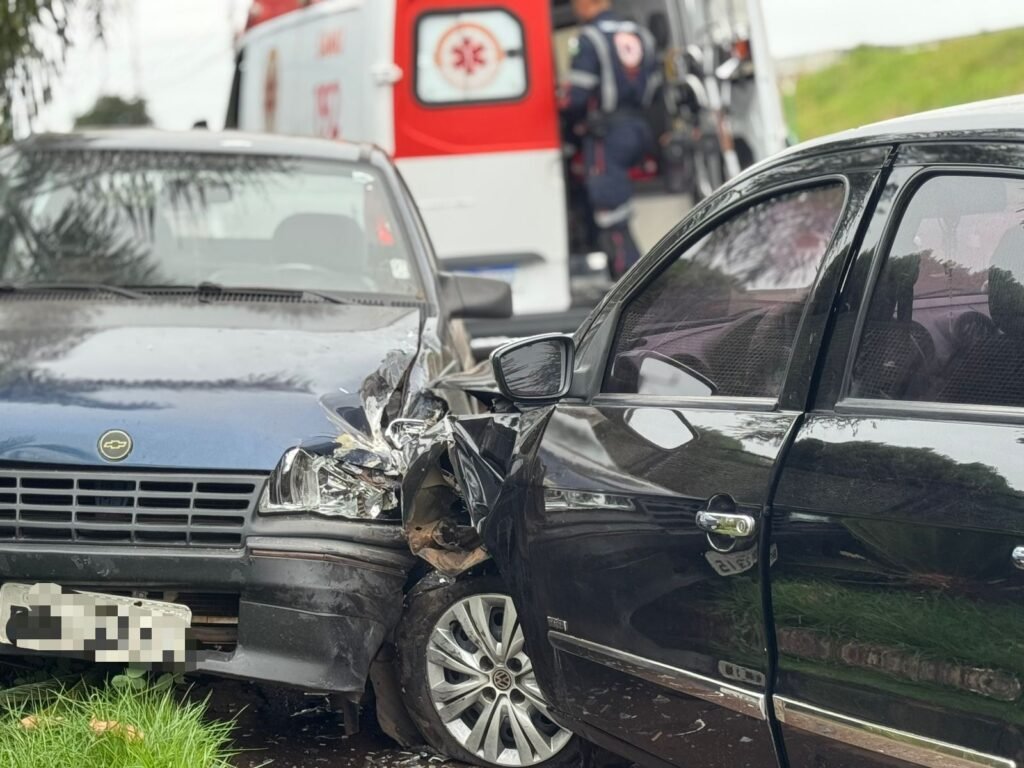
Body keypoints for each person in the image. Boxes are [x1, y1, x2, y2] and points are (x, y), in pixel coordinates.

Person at [561, 0, 661, 279]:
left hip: (607, 135)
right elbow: (655, 84)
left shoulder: (589, 38)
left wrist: (569, 120)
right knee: (622, 202)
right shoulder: (640, 33)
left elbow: (576, 97)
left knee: (609, 208)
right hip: (639, 129)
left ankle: (630, 278)